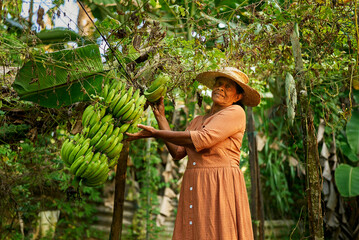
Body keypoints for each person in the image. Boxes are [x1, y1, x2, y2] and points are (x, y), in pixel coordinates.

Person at [126, 67, 261, 240]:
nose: (221, 88)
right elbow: (177, 152)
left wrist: (155, 133)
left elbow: (203, 138)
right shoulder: (198, 120)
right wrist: (161, 117)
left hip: (220, 182)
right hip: (196, 184)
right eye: (219, 83)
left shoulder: (235, 112)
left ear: (237, 96)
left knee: (218, 231)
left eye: (228, 87)